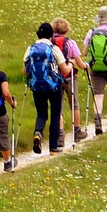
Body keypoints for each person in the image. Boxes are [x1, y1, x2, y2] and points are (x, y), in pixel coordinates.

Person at [24, 23, 68, 154]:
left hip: (37, 87)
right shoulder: (53, 48)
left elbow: (24, 71)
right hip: (54, 86)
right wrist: (71, 64)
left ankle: (38, 133)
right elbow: (64, 69)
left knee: (41, 114)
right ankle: (53, 147)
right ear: (50, 35)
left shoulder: (30, 49)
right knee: (55, 113)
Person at [53, 17, 89, 141]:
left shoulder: (50, 43)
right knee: (74, 105)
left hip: (54, 79)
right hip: (69, 78)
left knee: (58, 107)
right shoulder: (70, 43)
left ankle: (60, 135)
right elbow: (79, 63)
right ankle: (77, 132)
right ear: (66, 29)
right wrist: (86, 66)